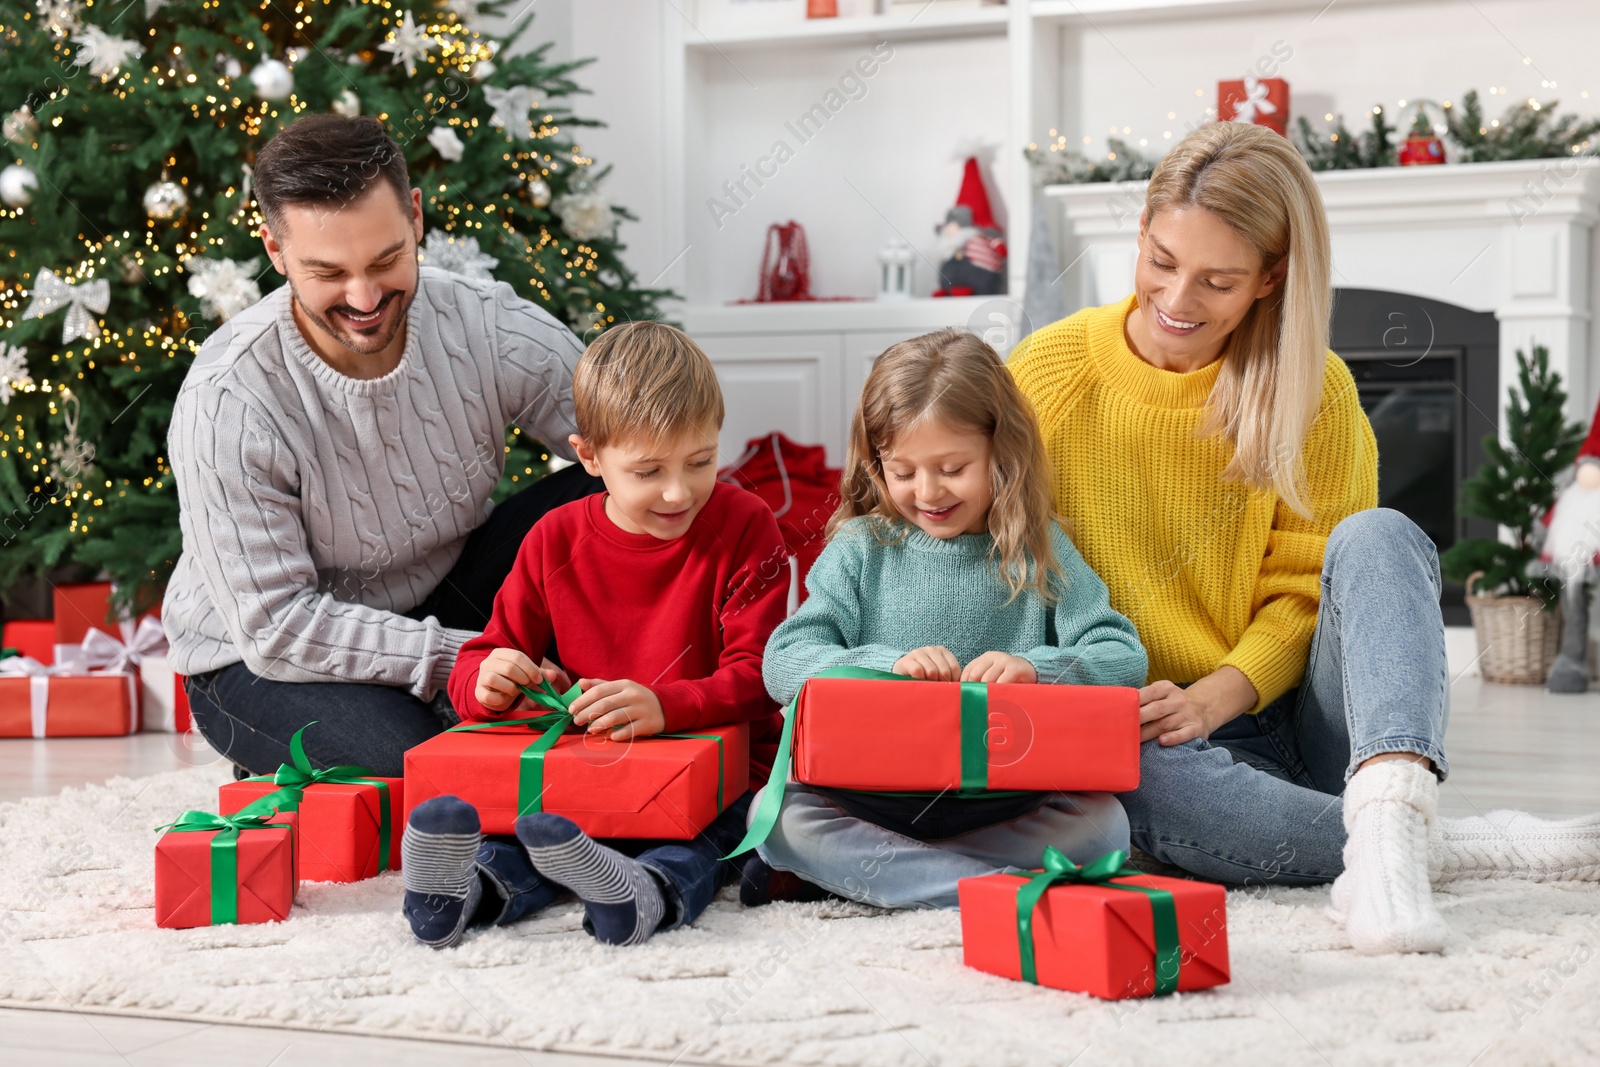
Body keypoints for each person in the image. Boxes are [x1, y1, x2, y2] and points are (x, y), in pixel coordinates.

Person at [1007, 121, 1600, 956]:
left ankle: (1387, 802)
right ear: (1140, 234)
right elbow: (1000, 552)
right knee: (1124, 775)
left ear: (1270, 278)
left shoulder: (1314, 389)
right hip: (1158, 739)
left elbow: (1305, 585)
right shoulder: (1047, 373)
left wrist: (1221, 690)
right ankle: (1427, 843)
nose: (1178, 302)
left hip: (1305, 719)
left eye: (1218, 281)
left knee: (1382, 533)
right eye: (1163, 263)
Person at [162, 115, 603, 778]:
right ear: (275, 251)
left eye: (386, 260)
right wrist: (461, 660)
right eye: (328, 272)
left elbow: (639, 439)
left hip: (443, 594)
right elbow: (276, 628)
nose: (365, 298)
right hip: (259, 660)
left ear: (417, 217)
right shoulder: (229, 398)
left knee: (616, 480)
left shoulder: (486, 323)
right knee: (436, 768)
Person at [401, 322, 791, 948]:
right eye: (647, 471)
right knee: (527, 831)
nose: (678, 491)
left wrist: (666, 707)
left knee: (711, 835)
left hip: (725, 772)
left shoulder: (745, 524)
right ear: (588, 457)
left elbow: (763, 675)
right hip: (593, 769)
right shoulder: (555, 539)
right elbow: (480, 659)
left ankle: (646, 894)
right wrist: (492, 682)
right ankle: (460, 890)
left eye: (701, 462)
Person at [751, 330, 1148, 910]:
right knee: (783, 821)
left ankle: (908, 880)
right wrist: (886, 663)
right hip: (869, 796)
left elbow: (1123, 656)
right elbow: (784, 660)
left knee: (1105, 829)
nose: (928, 491)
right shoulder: (862, 547)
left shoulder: (1040, 549)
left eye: (953, 467)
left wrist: (1034, 668)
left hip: (1003, 797)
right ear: (875, 464)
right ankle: (990, 891)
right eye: (903, 471)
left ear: (1002, 454)